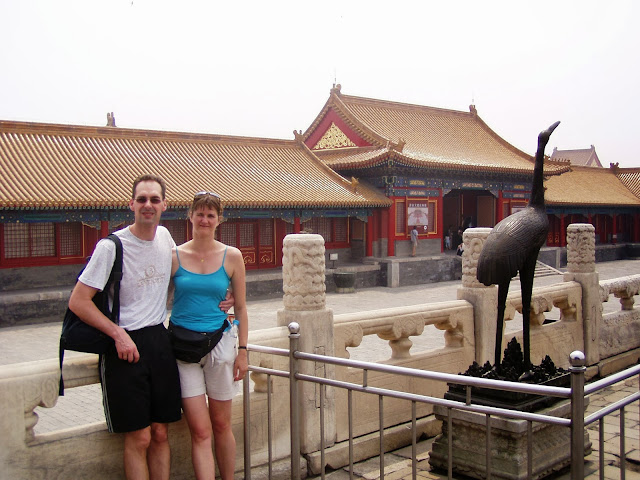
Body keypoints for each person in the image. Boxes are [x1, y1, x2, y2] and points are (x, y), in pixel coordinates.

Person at [68, 174, 182, 480]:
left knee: (160, 432)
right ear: (131, 204)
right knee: (139, 437)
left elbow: (186, 273)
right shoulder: (111, 247)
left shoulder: (165, 238)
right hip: (124, 345)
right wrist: (118, 334)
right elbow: (78, 301)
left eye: (155, 200)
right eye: (142, 199)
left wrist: (224, 296)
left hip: (159, 340)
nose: (148, 205)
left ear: (164, 206)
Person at [169, 191, 249, 480]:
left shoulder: (232, 256)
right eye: (199, 214)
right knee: (200, 430)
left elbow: (239, 307)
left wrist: (243, 350)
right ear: (190, 216)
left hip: (220, 344)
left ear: (219, 220)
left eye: (210, 215)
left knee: (221, 425)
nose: (204, 219)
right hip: (183, 350)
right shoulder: (174, 256)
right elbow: (158, 299)